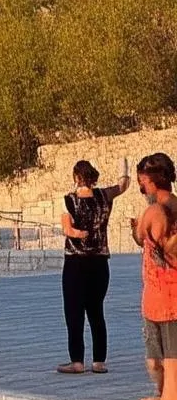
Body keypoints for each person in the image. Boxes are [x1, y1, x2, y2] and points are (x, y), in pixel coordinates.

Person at [56, 159, 130, 374]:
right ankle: (99, 361)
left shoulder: (68, 200)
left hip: (76, 261)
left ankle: (77, 361)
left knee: (74, 311)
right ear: (93, 176)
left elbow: (67, 229)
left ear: (76, 177)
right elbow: (123, 186)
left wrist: (79, 234)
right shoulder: (104, 196)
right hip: (99, 261)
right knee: (96, 311)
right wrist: (123, 166)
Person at [130, 153, 177, 400]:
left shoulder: (154, 212)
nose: (140, 187)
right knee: (157, 365)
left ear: (151, 181)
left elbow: (139, 236)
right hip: (157, 303)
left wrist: (139, 229)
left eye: (142, 181)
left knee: (170, 371)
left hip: (167, 303)